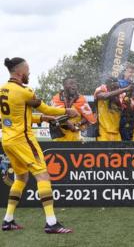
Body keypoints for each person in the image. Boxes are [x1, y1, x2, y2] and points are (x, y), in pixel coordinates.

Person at [1, 57, 78, 233]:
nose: (29, 72)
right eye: (27, 70)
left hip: (8, 140)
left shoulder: (2, 89)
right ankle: (51, 223)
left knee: (21, 178)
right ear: (20, 72)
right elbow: (45, 108)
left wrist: (44, 118)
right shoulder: (24, 91)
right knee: (43, 176)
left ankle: (8, 220)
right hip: (23, 140)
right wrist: (67, 111)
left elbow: (18, 116)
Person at [94, 77, 134, 141]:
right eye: (113, 87)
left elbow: (129, 110)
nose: (116, 89)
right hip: (102, 133)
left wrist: (129, 95)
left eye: (117, 87)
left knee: (116, 151)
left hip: (116, 133)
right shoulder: (101, 90)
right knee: (103, 151)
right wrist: (125, 89)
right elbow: (105, 96)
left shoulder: (122, 95)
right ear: (107, 85)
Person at [118, 63, 134, 141]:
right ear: (124, 72)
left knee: (133, 139)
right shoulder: (119, 83)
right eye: (130, 72)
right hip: (122, 115)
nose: (132, 74)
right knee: (123, 139)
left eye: (133, 73)